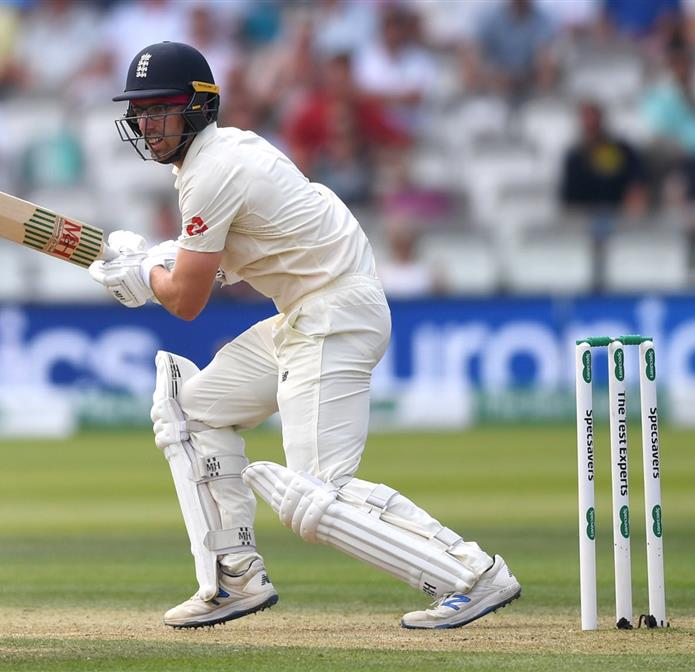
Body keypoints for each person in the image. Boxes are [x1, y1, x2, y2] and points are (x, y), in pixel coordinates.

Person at [87, 41, 520, 630]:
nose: (146, 122)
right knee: (190, 411)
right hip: (306, 313)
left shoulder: (212, 169)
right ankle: (233, 577)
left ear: (196, 107)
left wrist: (146, 274)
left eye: (159, 108)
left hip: (334, 312)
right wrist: (155, 262)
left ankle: (472, 575)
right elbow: (219, 259)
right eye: (139, 110)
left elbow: (185, 300)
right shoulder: (214, 158)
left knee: (319, 495)